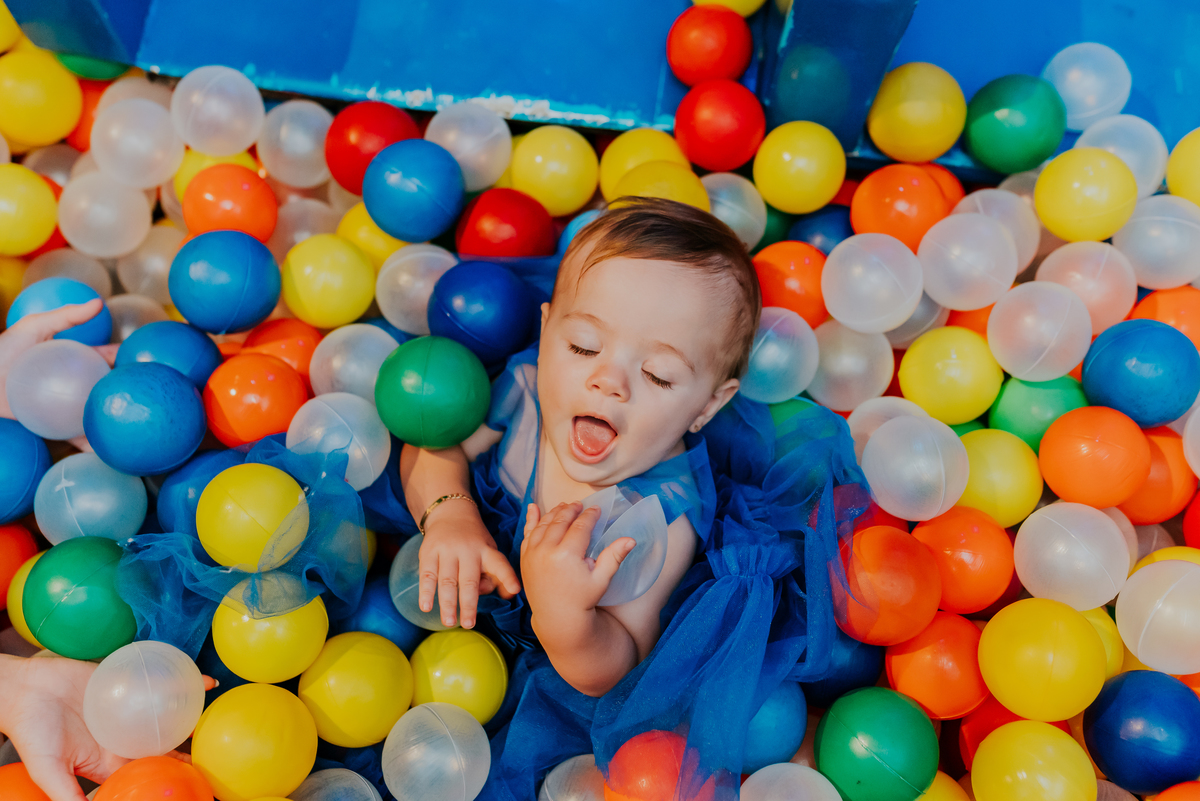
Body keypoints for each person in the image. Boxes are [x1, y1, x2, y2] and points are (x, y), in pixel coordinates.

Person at [402, 198, 867, 801]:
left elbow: (619, 669)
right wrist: (451, 514)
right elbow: (431, 447)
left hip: (550, 673)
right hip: (450, 616)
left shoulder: (659, 520)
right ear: (546, 333)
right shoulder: (523, 392)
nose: (609, 380)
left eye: (658, 376)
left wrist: (567, 619)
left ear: (707, 405)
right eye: (584, 347)